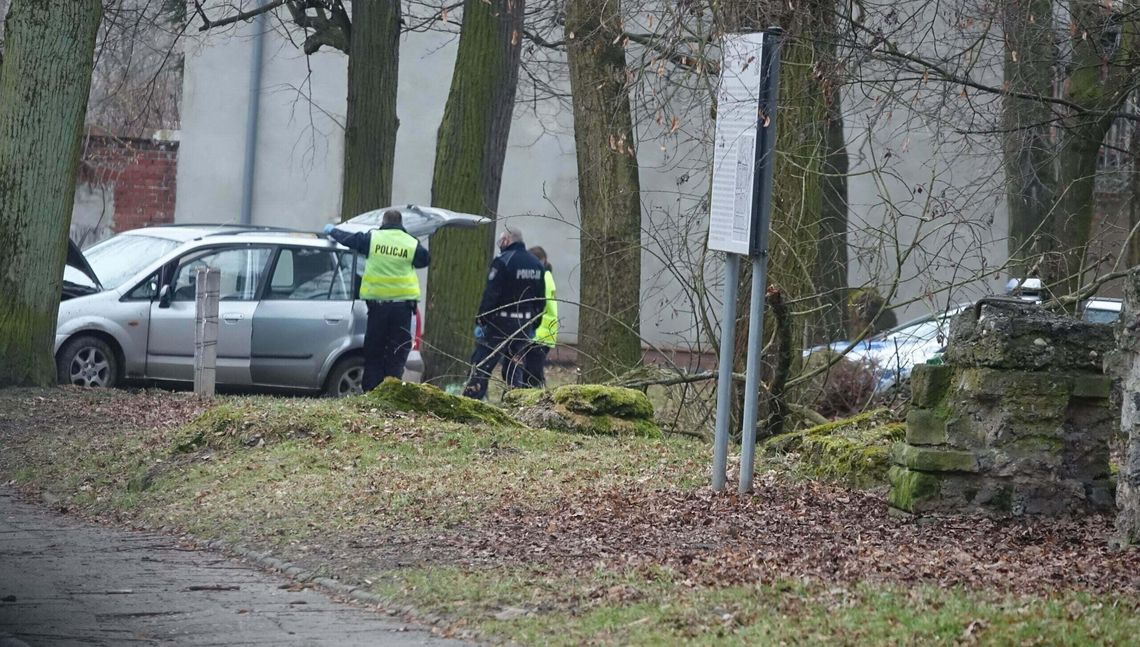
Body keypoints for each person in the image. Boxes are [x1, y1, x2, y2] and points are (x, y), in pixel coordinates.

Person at [324, 210, 429, 391]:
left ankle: (371, 391)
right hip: (402, 309)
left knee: (374, 351)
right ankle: (391, 391)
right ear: (401, 223)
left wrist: (332, 231)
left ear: (384, 221)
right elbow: (424, 260)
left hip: (378, 308)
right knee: (397, 352)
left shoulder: (373, 239)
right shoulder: (411, 243)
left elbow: (350, 239)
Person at [463, 226, 546, 400]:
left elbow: (491, 293)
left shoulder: (503, 261)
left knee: (483, 362)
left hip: (500, 324)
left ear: (508, 240)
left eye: (502, 240)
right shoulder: (536, 264)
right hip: (523, 324)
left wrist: (482, 318)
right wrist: (533, 322)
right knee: (515, 365)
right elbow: (541, 299)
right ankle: (514, 401)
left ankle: (472, 398)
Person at [502, 246, 557, 387]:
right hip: (545, 332)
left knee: (529, 374)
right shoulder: (547, 275)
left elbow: (536, 304)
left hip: (538, 333)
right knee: (530, 372)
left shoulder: (541, 277)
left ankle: (530, 403)